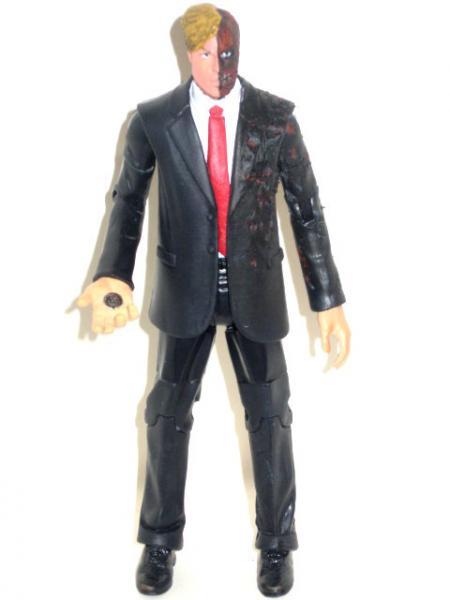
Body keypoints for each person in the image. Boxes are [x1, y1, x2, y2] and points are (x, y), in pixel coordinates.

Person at [77, 3, 351, 596]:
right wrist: (113, 276)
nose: (219, 65)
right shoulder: (154, 120)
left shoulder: (275, 119)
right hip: (184, 290)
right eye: (207, 54)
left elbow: (306, 209)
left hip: (256, 288)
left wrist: (327, 301)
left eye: (227, 52)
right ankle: (159, 540)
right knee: (165, 414)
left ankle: (276, 543)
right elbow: (127, 200)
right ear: (188, 54)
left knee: (271, 415)